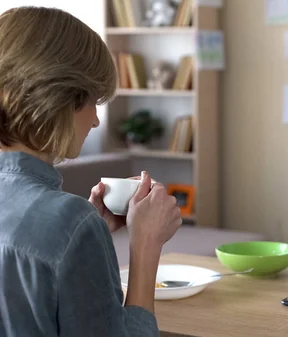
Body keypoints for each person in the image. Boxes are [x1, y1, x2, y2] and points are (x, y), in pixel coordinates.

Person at [0, 7, 181, 336]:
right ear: (59, 99)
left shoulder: (73, 224)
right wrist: (145, 246)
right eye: (92, 102)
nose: (96, 120)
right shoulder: (70, 221)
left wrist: (85, 235)